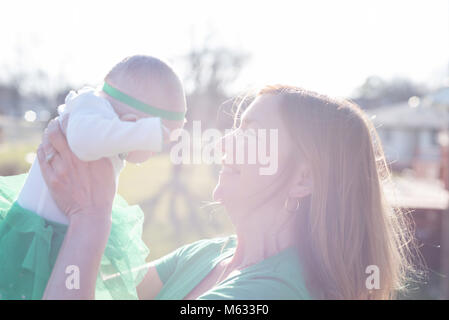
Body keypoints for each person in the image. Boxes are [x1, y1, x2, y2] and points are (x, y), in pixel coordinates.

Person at [39, 85, 420, 300]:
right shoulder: (211, 256)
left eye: (251, 134)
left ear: (304, 179)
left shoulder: (275, 292)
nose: (224, 145)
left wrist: (90, 217)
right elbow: (92, 286)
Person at [0, 55, 186, 299]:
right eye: (156, 143)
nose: (154, 150)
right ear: (130, 124)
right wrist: (147, 132)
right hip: (34, 237)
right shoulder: (88, 107)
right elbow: (82, 141)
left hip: (62, 235)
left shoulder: (105, 123)